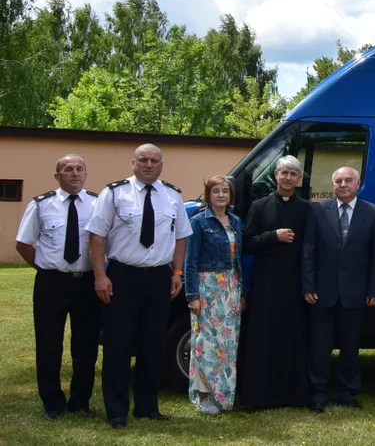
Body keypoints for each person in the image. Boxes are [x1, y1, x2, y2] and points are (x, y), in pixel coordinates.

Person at [87, 144, 192, 429]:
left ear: (161, 165)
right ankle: (117, 410)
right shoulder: (114, 193)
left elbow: (181, 236)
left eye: (154, 161)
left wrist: (177, 271)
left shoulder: (172, 196)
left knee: (153, 343)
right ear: (133, 163)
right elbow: (97, 237)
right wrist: (100, 275)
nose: (148, 164)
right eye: (143, 160)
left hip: (159, 277)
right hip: (122, 277)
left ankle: (147, 406)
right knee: (118, 345)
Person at [15, 154, 100, 420]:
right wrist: (44, 268)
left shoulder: (98, 204)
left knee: (85, 344)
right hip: (51, 282)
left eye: (79, 169)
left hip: (87, 282)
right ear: (57, 176)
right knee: (49, 343)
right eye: (68, 169)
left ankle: (80, 401)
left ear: (85, 174)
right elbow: (23, 244)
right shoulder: (41, 205)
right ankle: (52, 402)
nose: (74, 173)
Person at [301, 166, 375, 412]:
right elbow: (308, 251)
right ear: (332, 185)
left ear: (358, 184)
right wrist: (308, 285)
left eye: (348, 180)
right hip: (321, 291)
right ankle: (318, 391)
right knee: (320, 345)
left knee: (351, 345)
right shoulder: (317, 210)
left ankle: (347, 391)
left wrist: (374, 289)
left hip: (356, 292)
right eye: (338, 180)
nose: (343, 184)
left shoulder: (373, 212)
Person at [238, 155, 311, 410]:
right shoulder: (259, 206)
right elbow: (247, 242)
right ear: (275, 176)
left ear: (299, 179)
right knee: (263, 337)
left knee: (292, 337)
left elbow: (310, 248)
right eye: (284, 173)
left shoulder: (306, 208)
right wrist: (272, 236)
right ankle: (260, 396)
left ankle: (292, 396)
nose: (288, 178)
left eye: (293, 174)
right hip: (266, 283)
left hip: (293, 283)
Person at [184, 176, 245, 414]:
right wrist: (192, 295)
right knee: (205, 343)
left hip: (231, 287)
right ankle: (203, 394)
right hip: (207, 287)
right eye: (216, 191)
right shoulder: (199, 222)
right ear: (208, 195)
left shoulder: (236, 222)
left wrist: (242, 293)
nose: (221, 195)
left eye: (225, 191)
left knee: (227, 344)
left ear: (231, 196)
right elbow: (191, 261)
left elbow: (238, 260)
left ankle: (223, 395)